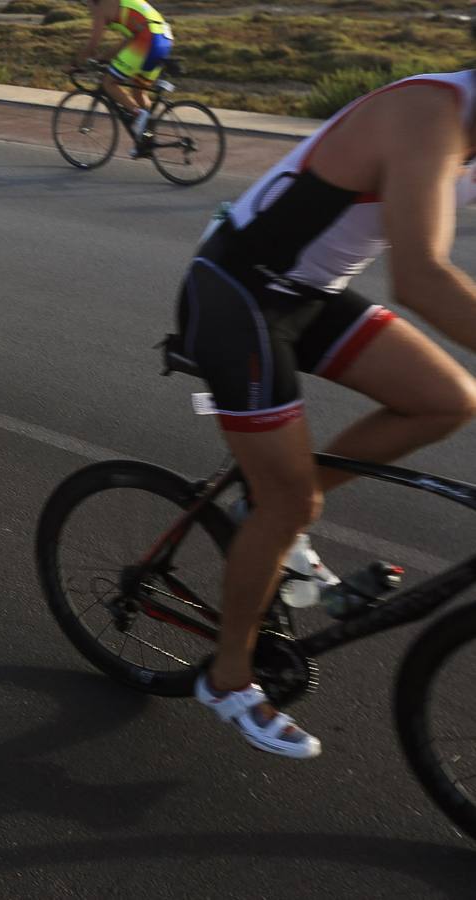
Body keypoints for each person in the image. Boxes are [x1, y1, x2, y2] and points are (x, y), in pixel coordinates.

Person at [171, 70, 476, 758]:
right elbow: (421, 275)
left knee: (448, 398)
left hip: (309, 293)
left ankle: (264, 505)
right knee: (290, 503)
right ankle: (225, 679)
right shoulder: (429, 113)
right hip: (237, 292)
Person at [73, 0, 173, 152]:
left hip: (147, 38)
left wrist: (74, 64)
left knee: (108, 82)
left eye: (87, 4)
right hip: (164, 39)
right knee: (139, 92)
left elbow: (93, 43)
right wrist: (103, 57)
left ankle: (137, 114)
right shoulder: (125, 3)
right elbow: (128, 40)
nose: (89, 8)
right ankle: (146, 141)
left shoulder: (101, 6)